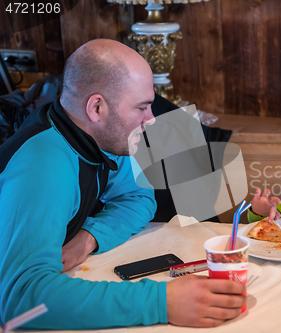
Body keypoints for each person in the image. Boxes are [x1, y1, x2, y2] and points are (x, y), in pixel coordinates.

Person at [0, 39, 245, 330]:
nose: (152, 120)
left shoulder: (97, 137)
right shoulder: (43, 165)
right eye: (141, 108)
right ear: (97, 107)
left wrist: (88, 238)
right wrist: (162, 302)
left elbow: (139, 198)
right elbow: (20, 300)